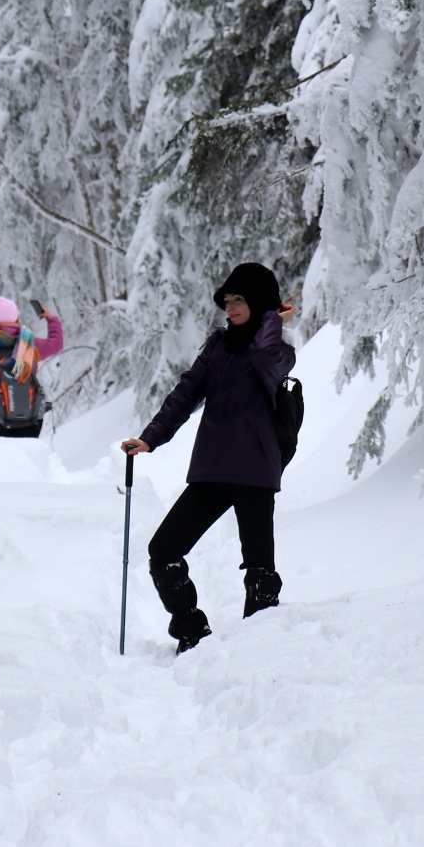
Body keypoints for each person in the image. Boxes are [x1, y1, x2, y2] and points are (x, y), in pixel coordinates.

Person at [120, 262, 296, 653]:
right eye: (227, 300)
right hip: (212, 469)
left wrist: (271, 320)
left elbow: (266, 358)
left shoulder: (279, 350)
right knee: (162, 551)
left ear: (261, 304)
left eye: (239, 300)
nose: (229, 307)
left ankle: (259, 648)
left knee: (259, 568)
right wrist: (151, 438)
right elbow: (186, 393)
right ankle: (191, 633)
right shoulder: (218, 346)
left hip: (254, 471)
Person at [0, 296, 64, 438]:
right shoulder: (28, 343)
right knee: (27, 456)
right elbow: (56, 344)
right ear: (15, 317)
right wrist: (51, 318)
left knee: (3, 458)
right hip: (30, 414)